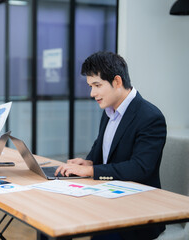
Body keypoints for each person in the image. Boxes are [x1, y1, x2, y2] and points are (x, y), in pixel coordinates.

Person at [55, 51, 166, 240]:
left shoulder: (150, 117)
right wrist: (89, 162)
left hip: (137, 210)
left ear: (117, 81)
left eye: (97, 85)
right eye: (91, 86)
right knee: (54, 217)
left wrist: (92, 172)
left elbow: (140, 168)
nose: (92, 93)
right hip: (106, 198)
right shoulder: (109, 110)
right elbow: (102, 145)